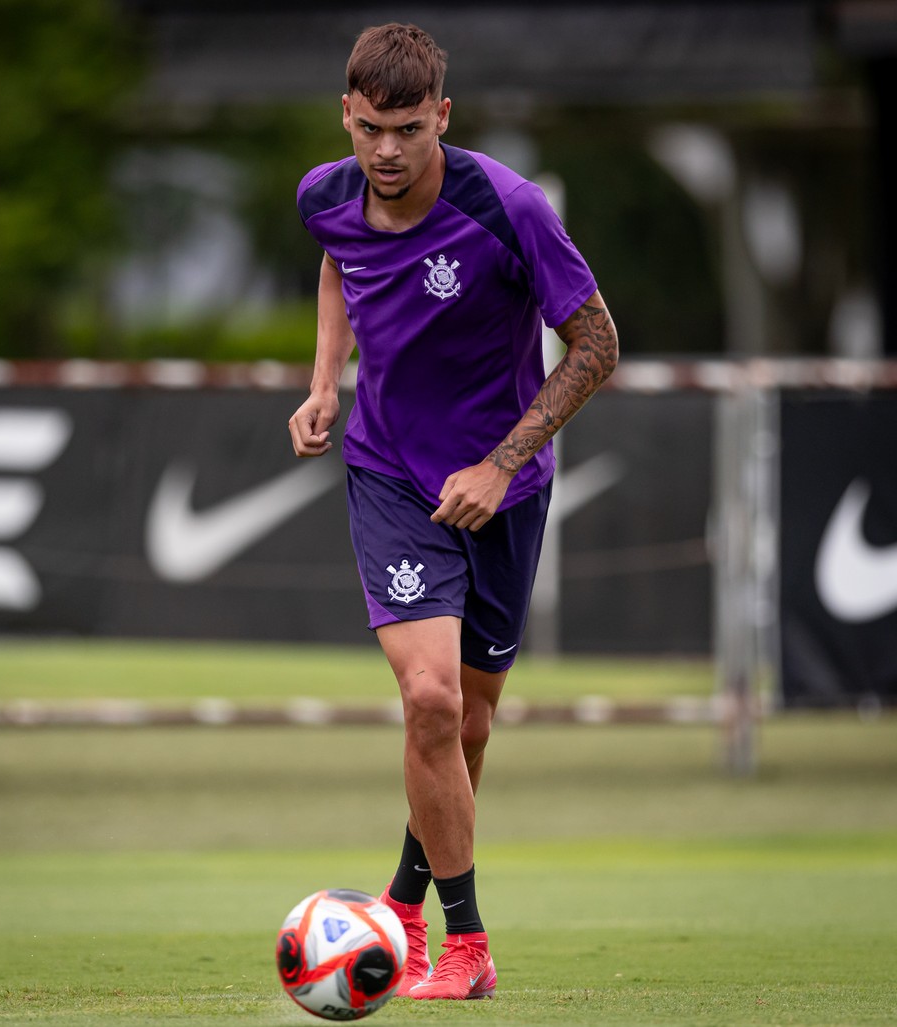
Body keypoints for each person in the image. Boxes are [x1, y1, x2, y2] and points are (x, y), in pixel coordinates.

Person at [288, 22, 618, 1001]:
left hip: (503, 490)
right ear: (346, 116)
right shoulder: (325, 195)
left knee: (467, 724)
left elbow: (596, 345)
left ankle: (397, 902)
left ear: (442, 116)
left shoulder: (506, 207)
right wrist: (324, 381)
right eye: (368, 129)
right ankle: (463, 945)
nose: (385, 152)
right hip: (389, 475)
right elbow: (338, 264)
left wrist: (500, 461)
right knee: (428, 699)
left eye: (406, 130)